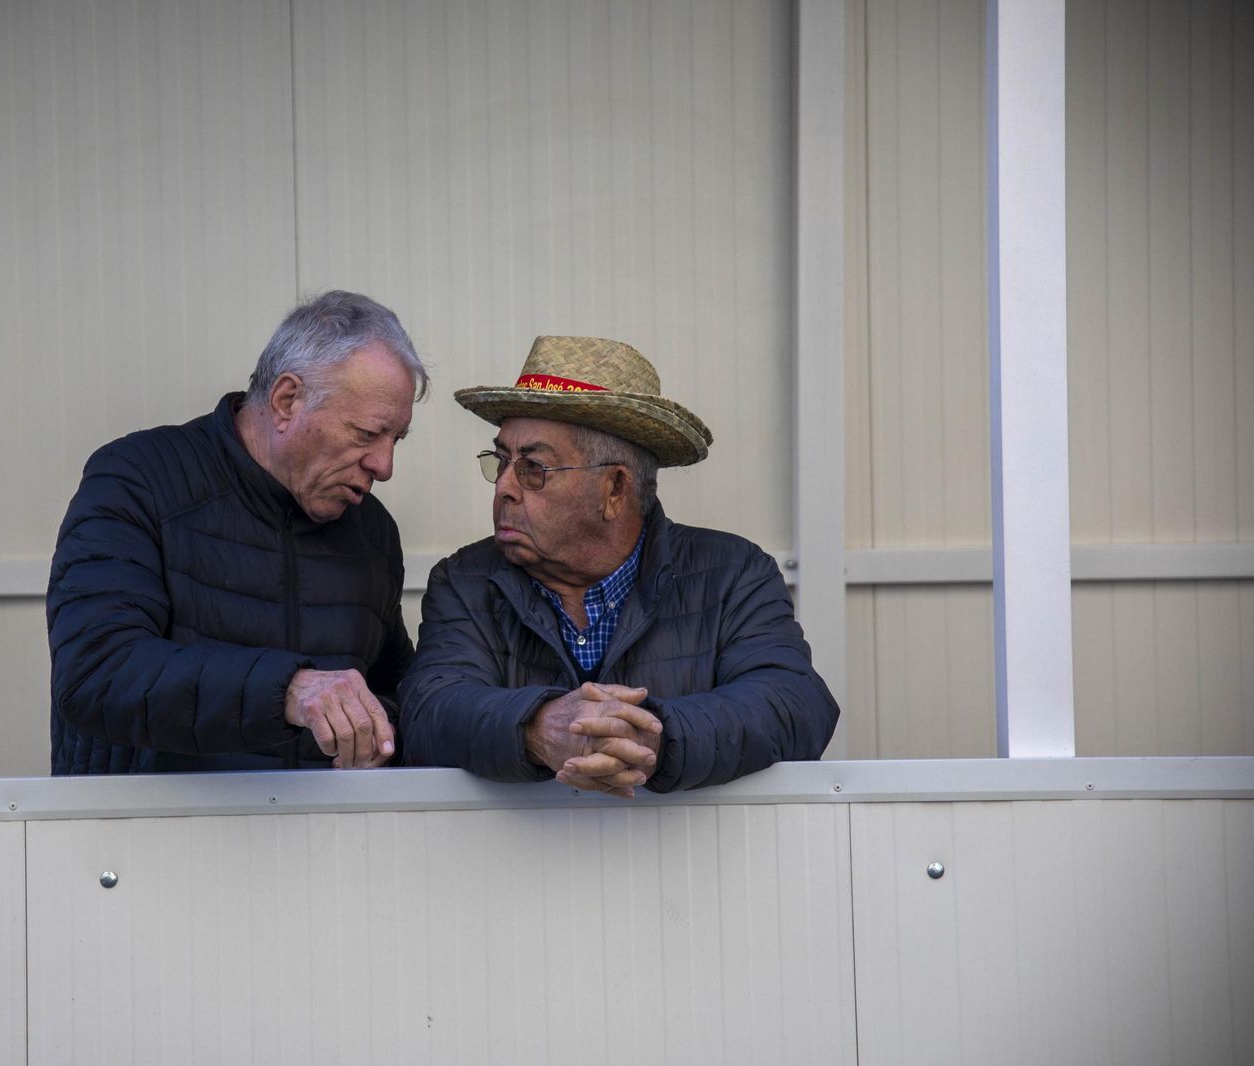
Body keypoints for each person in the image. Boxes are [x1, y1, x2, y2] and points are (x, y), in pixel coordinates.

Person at [398, 335, 838, 796]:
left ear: (614, 489)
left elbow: (796, 704)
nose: (504, 487)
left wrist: (654, 738)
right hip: (515, 863)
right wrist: (537, 726)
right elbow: (427, 710)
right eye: (502, 461)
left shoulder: (732, 574)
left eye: (533, 468)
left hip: (689, 861)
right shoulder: (465, 580)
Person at [48, 291, 428, 774]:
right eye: (366, 434)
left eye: (396, 439)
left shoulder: (371, 531)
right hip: (144, 836)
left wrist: (379, 731)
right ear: (287, 400)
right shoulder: (137, 479)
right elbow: (97, 675)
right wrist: (290, 690)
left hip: (320, 841)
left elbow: (396, 691)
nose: (384, 465)